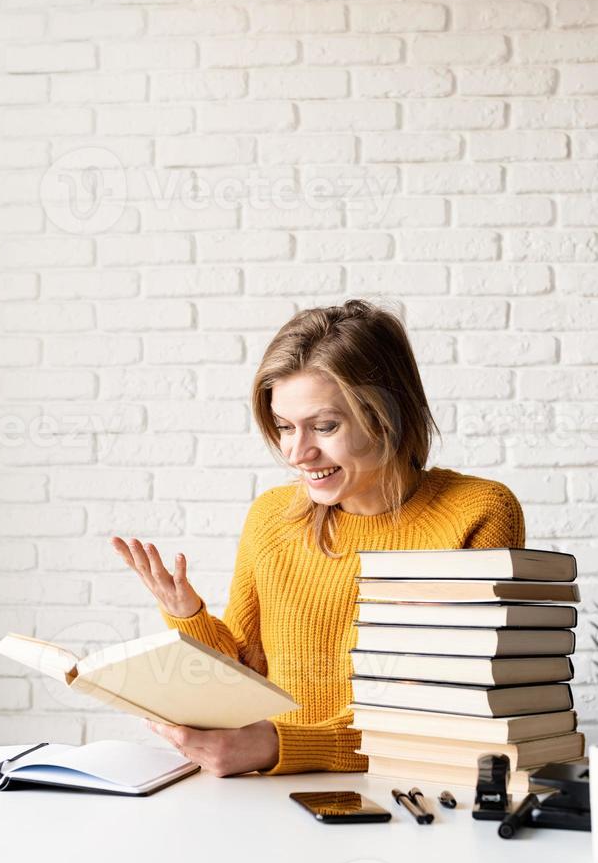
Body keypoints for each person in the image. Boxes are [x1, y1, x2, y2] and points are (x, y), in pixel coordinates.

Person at [111, 299, 525, 777]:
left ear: (387, 415)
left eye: (324, 426)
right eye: (284, 427)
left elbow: (448, 713)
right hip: (268, 794)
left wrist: (283, 747)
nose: (297, 453)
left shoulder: (477, 513)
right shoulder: (272, 518)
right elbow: (248, 670)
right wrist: (188, 618)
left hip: (410, 794)